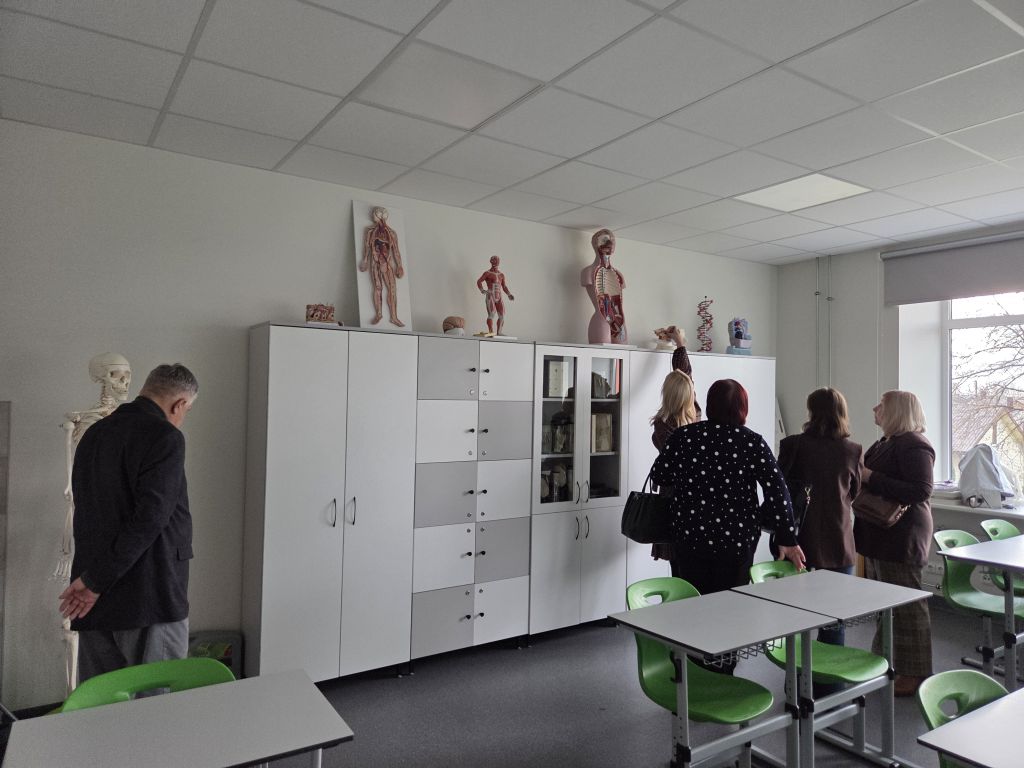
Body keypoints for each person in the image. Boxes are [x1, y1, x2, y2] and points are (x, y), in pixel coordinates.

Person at [59, 364, 199, 683]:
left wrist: (93, 581)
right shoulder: (165, 436)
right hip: (150, 596)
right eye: (186, 410)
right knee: (155, 698)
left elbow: (88, 510)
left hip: (94, 596)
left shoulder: (94, 434)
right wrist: (95, 582)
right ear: (179, 405)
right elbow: (151, 518)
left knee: (103, 698)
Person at [652, 379, 806, 595]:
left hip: (689, 536)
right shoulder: (752, 442)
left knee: (691, 603)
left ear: (709, 405)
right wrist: (786, 538)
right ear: (743, 408)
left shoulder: (683, 437)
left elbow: (660, 476)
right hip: (736, 541)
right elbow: (778, 492)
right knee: (731, 604)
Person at [854, 390, 935, 697]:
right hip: (882, 533)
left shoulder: (915, 444)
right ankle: (884, 662)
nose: (874, 408)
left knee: (908, 607)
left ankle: (915, 673)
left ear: (898, 411)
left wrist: (869, 477)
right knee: (886, 605)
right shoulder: (887, 442)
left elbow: (921, 490)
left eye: (882, 405)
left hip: (902, 536)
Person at [777, 388, 863, 646]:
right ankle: (830, 669)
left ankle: (794, 666)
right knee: (834, 618)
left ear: (811, 412)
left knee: (793, 615)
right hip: (839, 540)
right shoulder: (852, 450)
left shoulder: (792, 445)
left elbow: (780, 490)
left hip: (797, 539)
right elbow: (853, 493)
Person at [649, 370, 699, 574]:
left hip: (673, 499)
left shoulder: (663, 426)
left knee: (679, 567)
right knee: (688, 563)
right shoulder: (696, 420)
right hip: (695, 500)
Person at [476, 255, 514, 336]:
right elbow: (479, 281)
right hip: (490, 295)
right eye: (495, 260)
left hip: (499, 296)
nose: (496, 262)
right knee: (492, 314)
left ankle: (499, 332)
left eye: (497, 260)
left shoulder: (501, 275)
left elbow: (504, 286)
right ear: (491, 261)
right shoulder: (487, 273)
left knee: (502, 315)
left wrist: (509, 294)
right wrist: (482, 290)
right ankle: (491, 332)